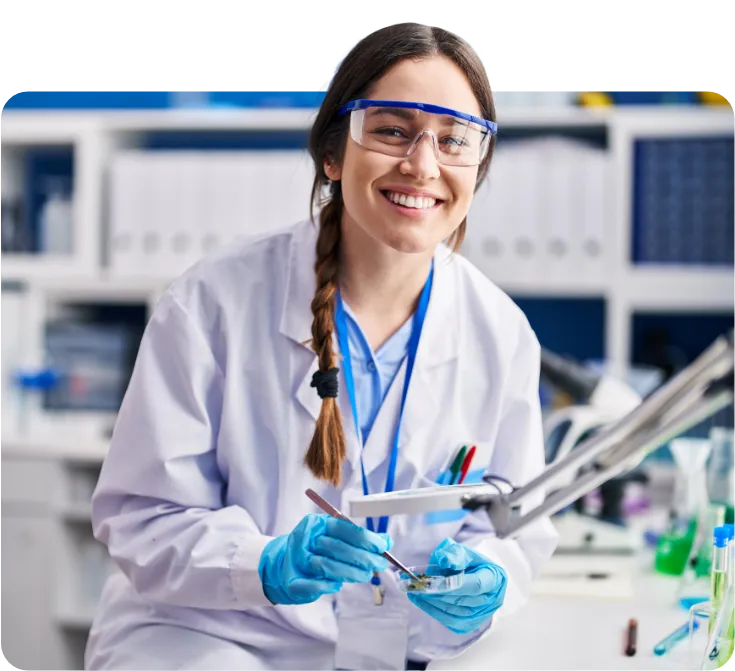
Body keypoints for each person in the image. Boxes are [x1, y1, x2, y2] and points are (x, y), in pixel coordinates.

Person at [85, 23, 558, 671]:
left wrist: (489, 579)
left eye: (453, 140)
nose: (423, 164)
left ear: (477, 169)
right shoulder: (210, 304)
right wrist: (264, 563)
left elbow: (512, 518)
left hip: (394, 645)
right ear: (332, 155)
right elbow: (141, 517)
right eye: (392, 130)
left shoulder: (499, 332)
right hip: (209, 635)